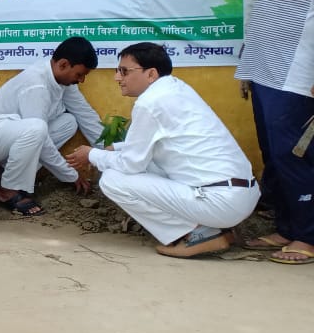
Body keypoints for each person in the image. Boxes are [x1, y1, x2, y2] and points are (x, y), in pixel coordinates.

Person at [65, 43, 259, 258]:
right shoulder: (177, 88)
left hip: (219, 201)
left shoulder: (150, 102)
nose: (117, 78)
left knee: (112, 180)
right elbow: (158, 142)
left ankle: (200, 234)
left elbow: (131, 164)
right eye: (117, 70)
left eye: (124, 71)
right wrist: (115, 148)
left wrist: (92, 155)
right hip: (239, 196)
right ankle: (218, 230)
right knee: (147, 164)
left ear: (151, 74)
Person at [225, 0, 314, 264]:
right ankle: (287, 228)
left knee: (293, 155)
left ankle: (308, 237)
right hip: (267, 73)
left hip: (295, 76)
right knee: (274, 156)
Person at [0, 36, 103, 216]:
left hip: (10, 140)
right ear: (63, 65)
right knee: (37, 129)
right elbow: (40, 138)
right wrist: (70, 175)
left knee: (69, 122)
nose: (81, 80)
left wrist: (108, 154)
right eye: (79, 74)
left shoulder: (62, 81)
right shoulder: (36, 85)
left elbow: (85, 114)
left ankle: (4, 172)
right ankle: (7, 190)